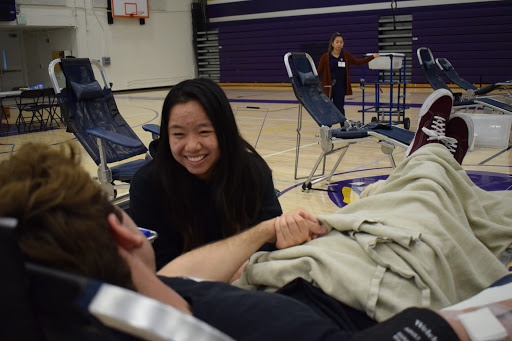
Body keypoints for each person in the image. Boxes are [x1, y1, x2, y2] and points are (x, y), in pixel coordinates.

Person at [2, 90, 511, 340]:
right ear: (121, 228)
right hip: (360, 282)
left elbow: (172, 275)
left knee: (390, 196)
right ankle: (431, 154)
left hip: (293, 265)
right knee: (422, 198)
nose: (190, 146)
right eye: (178, 135)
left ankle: (427, 156)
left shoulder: (127, 309)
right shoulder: (253, 325)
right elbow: (448, 327)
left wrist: (269, 229)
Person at [129, 78, 282, 269]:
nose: (192, 146)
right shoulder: (148, 185)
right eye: (178, 134)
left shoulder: (252, 171)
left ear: (224, 131)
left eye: (204, 131)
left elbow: (270, 242)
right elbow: (158, 265)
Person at [316, 32, 378, 115]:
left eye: (341, 42)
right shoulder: (325, 57)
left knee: (340, 107)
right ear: (332, 43)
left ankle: (343, 126)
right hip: (328, 86)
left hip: (340, 86)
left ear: (343, 44)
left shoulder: (346, 55)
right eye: (337, 42)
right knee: (327, 107)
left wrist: (372, 57)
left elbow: (358, 62)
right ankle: (327, 126)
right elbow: (318, 72)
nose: (339, 44)